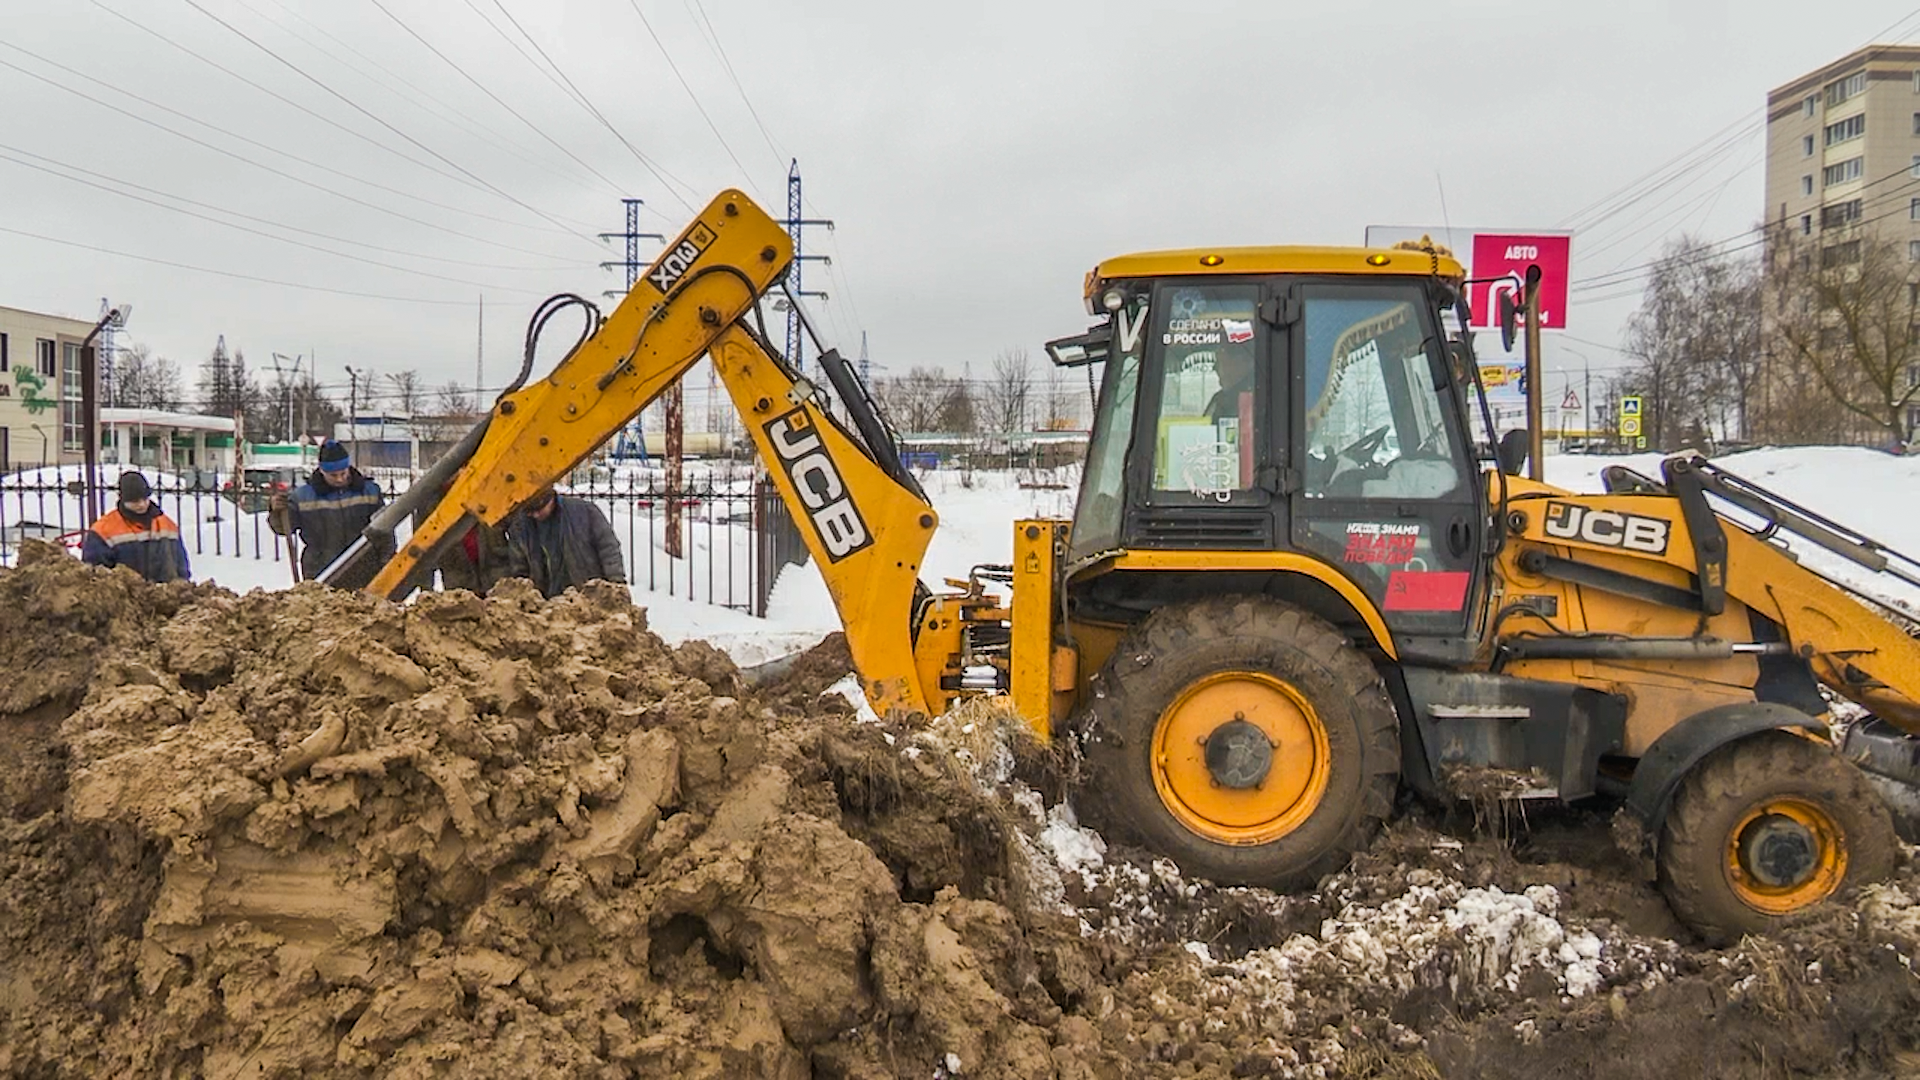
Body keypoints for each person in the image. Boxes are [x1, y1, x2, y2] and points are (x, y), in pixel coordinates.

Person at [268, 440, 392, 589]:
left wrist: (387, 560)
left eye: (343, 473)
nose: (339, 479)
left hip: (365, 570)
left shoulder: (370, 491)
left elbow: (384, 530)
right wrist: (276, 511)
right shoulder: (302, 497)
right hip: (321, 571)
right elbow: (284, 528)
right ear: (321, 471)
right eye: (333, 475)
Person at [504, 488, 627, 599]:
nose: (535, 515)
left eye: (539, 510)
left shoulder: (584, 512)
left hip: (588, 598)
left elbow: (609, 549)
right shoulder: (520, 526)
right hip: (546, 604)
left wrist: (616, 585)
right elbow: (519, 566)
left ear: (551, 499)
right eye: (530, 513)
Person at [81, 470, 191, 583]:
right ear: (122, 499)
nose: (142, 504)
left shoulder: (167, 525)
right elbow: (95, 575)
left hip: (168, 597)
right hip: (125, 598)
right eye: (135, 501)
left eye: (144, 499)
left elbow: (181, 566)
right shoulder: (103, 531)